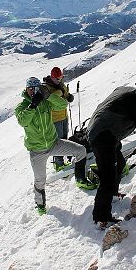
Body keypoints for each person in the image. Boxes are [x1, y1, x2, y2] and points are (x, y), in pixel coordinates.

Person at [86, 78, 136, 228]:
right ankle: (100, 217)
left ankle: (113, 194)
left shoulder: (131, 91)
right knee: (107, 177)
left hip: (102, 129)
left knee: (120, 163)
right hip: (103, 136)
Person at [15, 77, 90, 215]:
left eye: (35, 88)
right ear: (25, 89)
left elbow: (62, 105)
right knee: (40, 181)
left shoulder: (46, 102)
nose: (32, 91)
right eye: (30, 88)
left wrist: (48, 96)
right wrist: (32, 106)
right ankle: (41, 206)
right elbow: (23, 121)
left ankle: (80, 179)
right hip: (37, 151)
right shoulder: (21, 106)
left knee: (81, 151)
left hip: (54, 143)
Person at [42, 67, 74, 172]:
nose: (59, 80)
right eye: (57, 78)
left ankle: (65, 159)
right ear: (52, 77)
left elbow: (65, 94)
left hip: (64, 116)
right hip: (55, 118)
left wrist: (68, 96)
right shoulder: (47, 87)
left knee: (65, 137)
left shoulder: (60, 85)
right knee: (57, 141)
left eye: (60, 77)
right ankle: (58, 163)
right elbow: (51, 102)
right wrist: (61, 95)